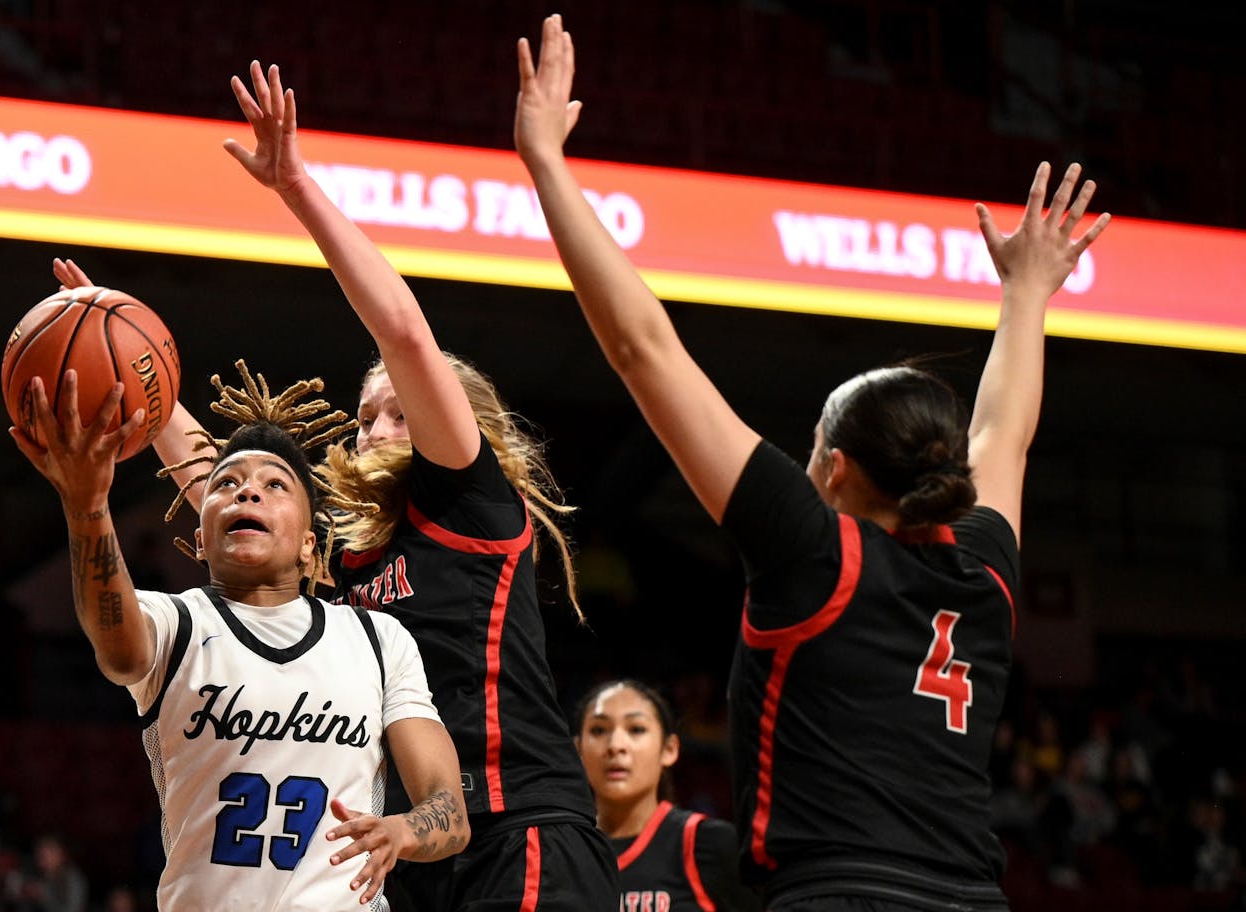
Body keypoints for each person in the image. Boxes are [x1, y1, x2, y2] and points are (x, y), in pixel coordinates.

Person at [514, 14, 1110, 912]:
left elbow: (647, 351)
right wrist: (1028, 292)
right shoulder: (982, 566)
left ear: (831, 470)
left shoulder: (816, 552)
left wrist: (548, 167)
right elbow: (1006, 434)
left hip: (837, 894)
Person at [101, 57, 618, 912]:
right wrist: (143, 379)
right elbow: (223, 493)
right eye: (365, 414)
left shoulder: (471, 502)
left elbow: (406, 335)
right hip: (405, 848)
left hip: (516, 828)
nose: (375, 428)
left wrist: (296, 187)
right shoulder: (343, 564)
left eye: (398, 414)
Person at [8, 360, 468, 911]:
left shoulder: (375, 638)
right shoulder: (175, 623)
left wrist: (404, 832)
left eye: (275, 485)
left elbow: (450, 812)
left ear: (309, 546)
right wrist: (86, 505)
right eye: (225, 483)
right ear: (200, 537)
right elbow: (118, 649)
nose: (247, 492)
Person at [575, 680, 759, 912]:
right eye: (599, 730)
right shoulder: (560, 854)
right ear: (578, 750)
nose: (615, 745)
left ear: (669, 749)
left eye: (636, 729)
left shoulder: (710, 845)